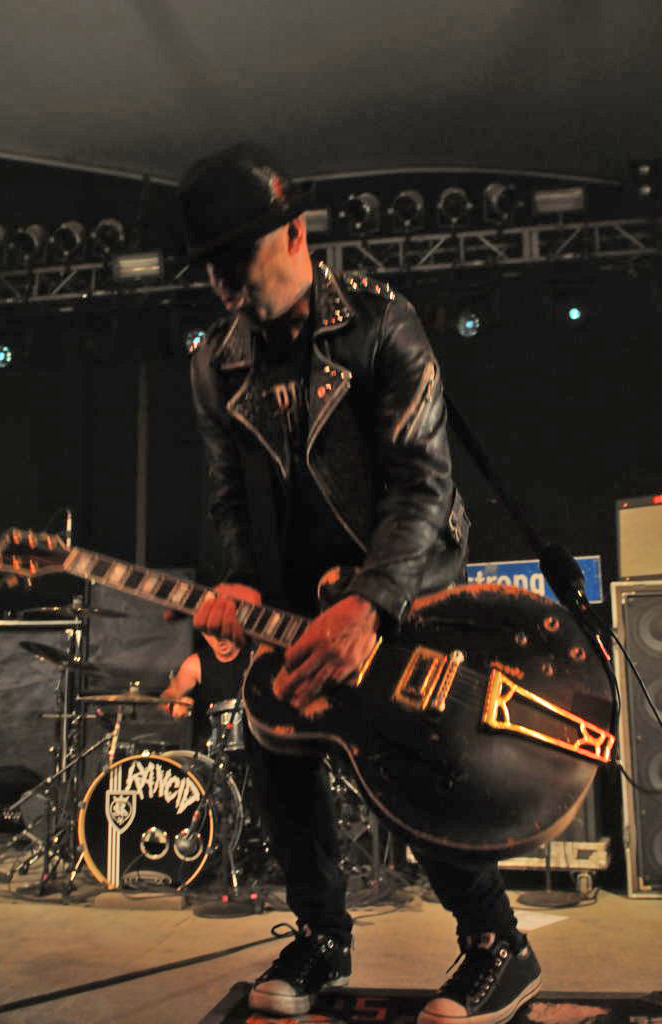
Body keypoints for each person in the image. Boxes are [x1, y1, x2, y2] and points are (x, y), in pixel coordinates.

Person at [177, 142, 542, 1024]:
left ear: (296, 233)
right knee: (274, 737)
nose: (225, 281)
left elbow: (424, 486)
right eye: (211, 264)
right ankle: (321, 937)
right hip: (295, 590)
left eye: (238, 255)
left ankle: (498, 944)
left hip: (407, 579)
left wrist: (371, 603)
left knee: (408, 756)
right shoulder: (214, 365)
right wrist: (239, 586)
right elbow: (229, 499)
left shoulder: (384, 324)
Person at [159, 633, 251, 753]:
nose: (218, 638)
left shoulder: (257, 655)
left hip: (260, 745)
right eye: (210, 632)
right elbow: (167, 697)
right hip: (211, 752)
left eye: (221, 630)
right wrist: (173, 706)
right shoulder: (195, 663)